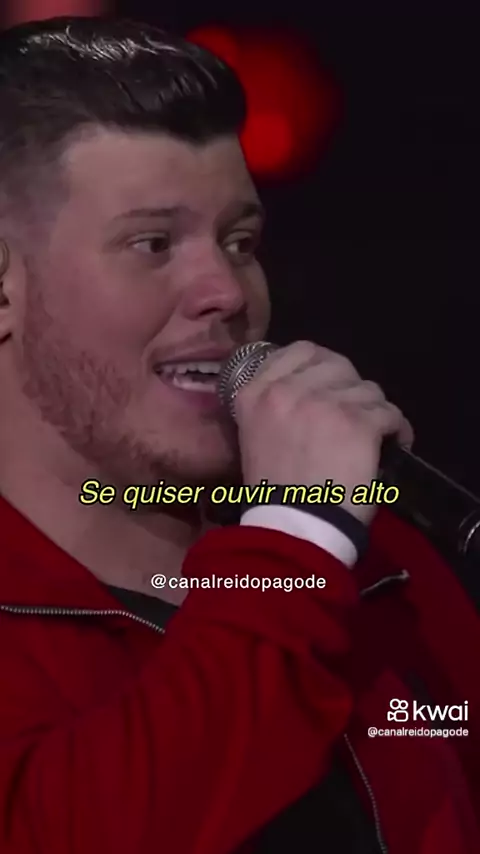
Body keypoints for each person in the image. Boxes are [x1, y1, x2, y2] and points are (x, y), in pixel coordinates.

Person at [0, 15, 478, 854]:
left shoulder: (381, 568)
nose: (226, 290)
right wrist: (295, 537)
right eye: (153, 243)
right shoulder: (312, 549)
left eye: (239, 241)